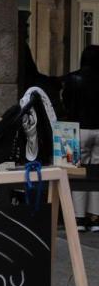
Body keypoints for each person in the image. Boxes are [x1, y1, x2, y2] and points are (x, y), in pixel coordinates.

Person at [62, 45, 99, 231]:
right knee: (96, 173)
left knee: (76, 172)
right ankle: (95, 217)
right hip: (98, 129)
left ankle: (78, 217)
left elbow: (66, 103)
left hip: (76, 129)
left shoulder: (72, 78)